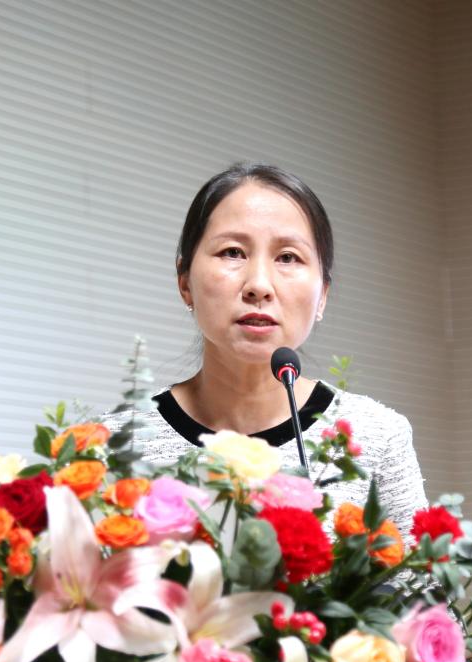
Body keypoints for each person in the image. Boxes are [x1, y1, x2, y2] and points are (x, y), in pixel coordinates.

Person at [102, 163, 429, 537]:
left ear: (322, 295)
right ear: (185, 282)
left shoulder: (378, 438)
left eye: (288, 257)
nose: (259, 285)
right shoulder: (115, 445)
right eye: (232, 252)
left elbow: (419, 577)